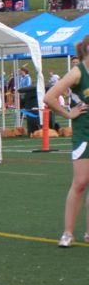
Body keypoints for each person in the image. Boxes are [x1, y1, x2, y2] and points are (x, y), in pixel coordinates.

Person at [43, 34, 89, 247]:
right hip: (84, 133)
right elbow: (49, 97)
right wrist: (69, 114)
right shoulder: (78, 72)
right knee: (80, 183)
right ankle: (68, 232)